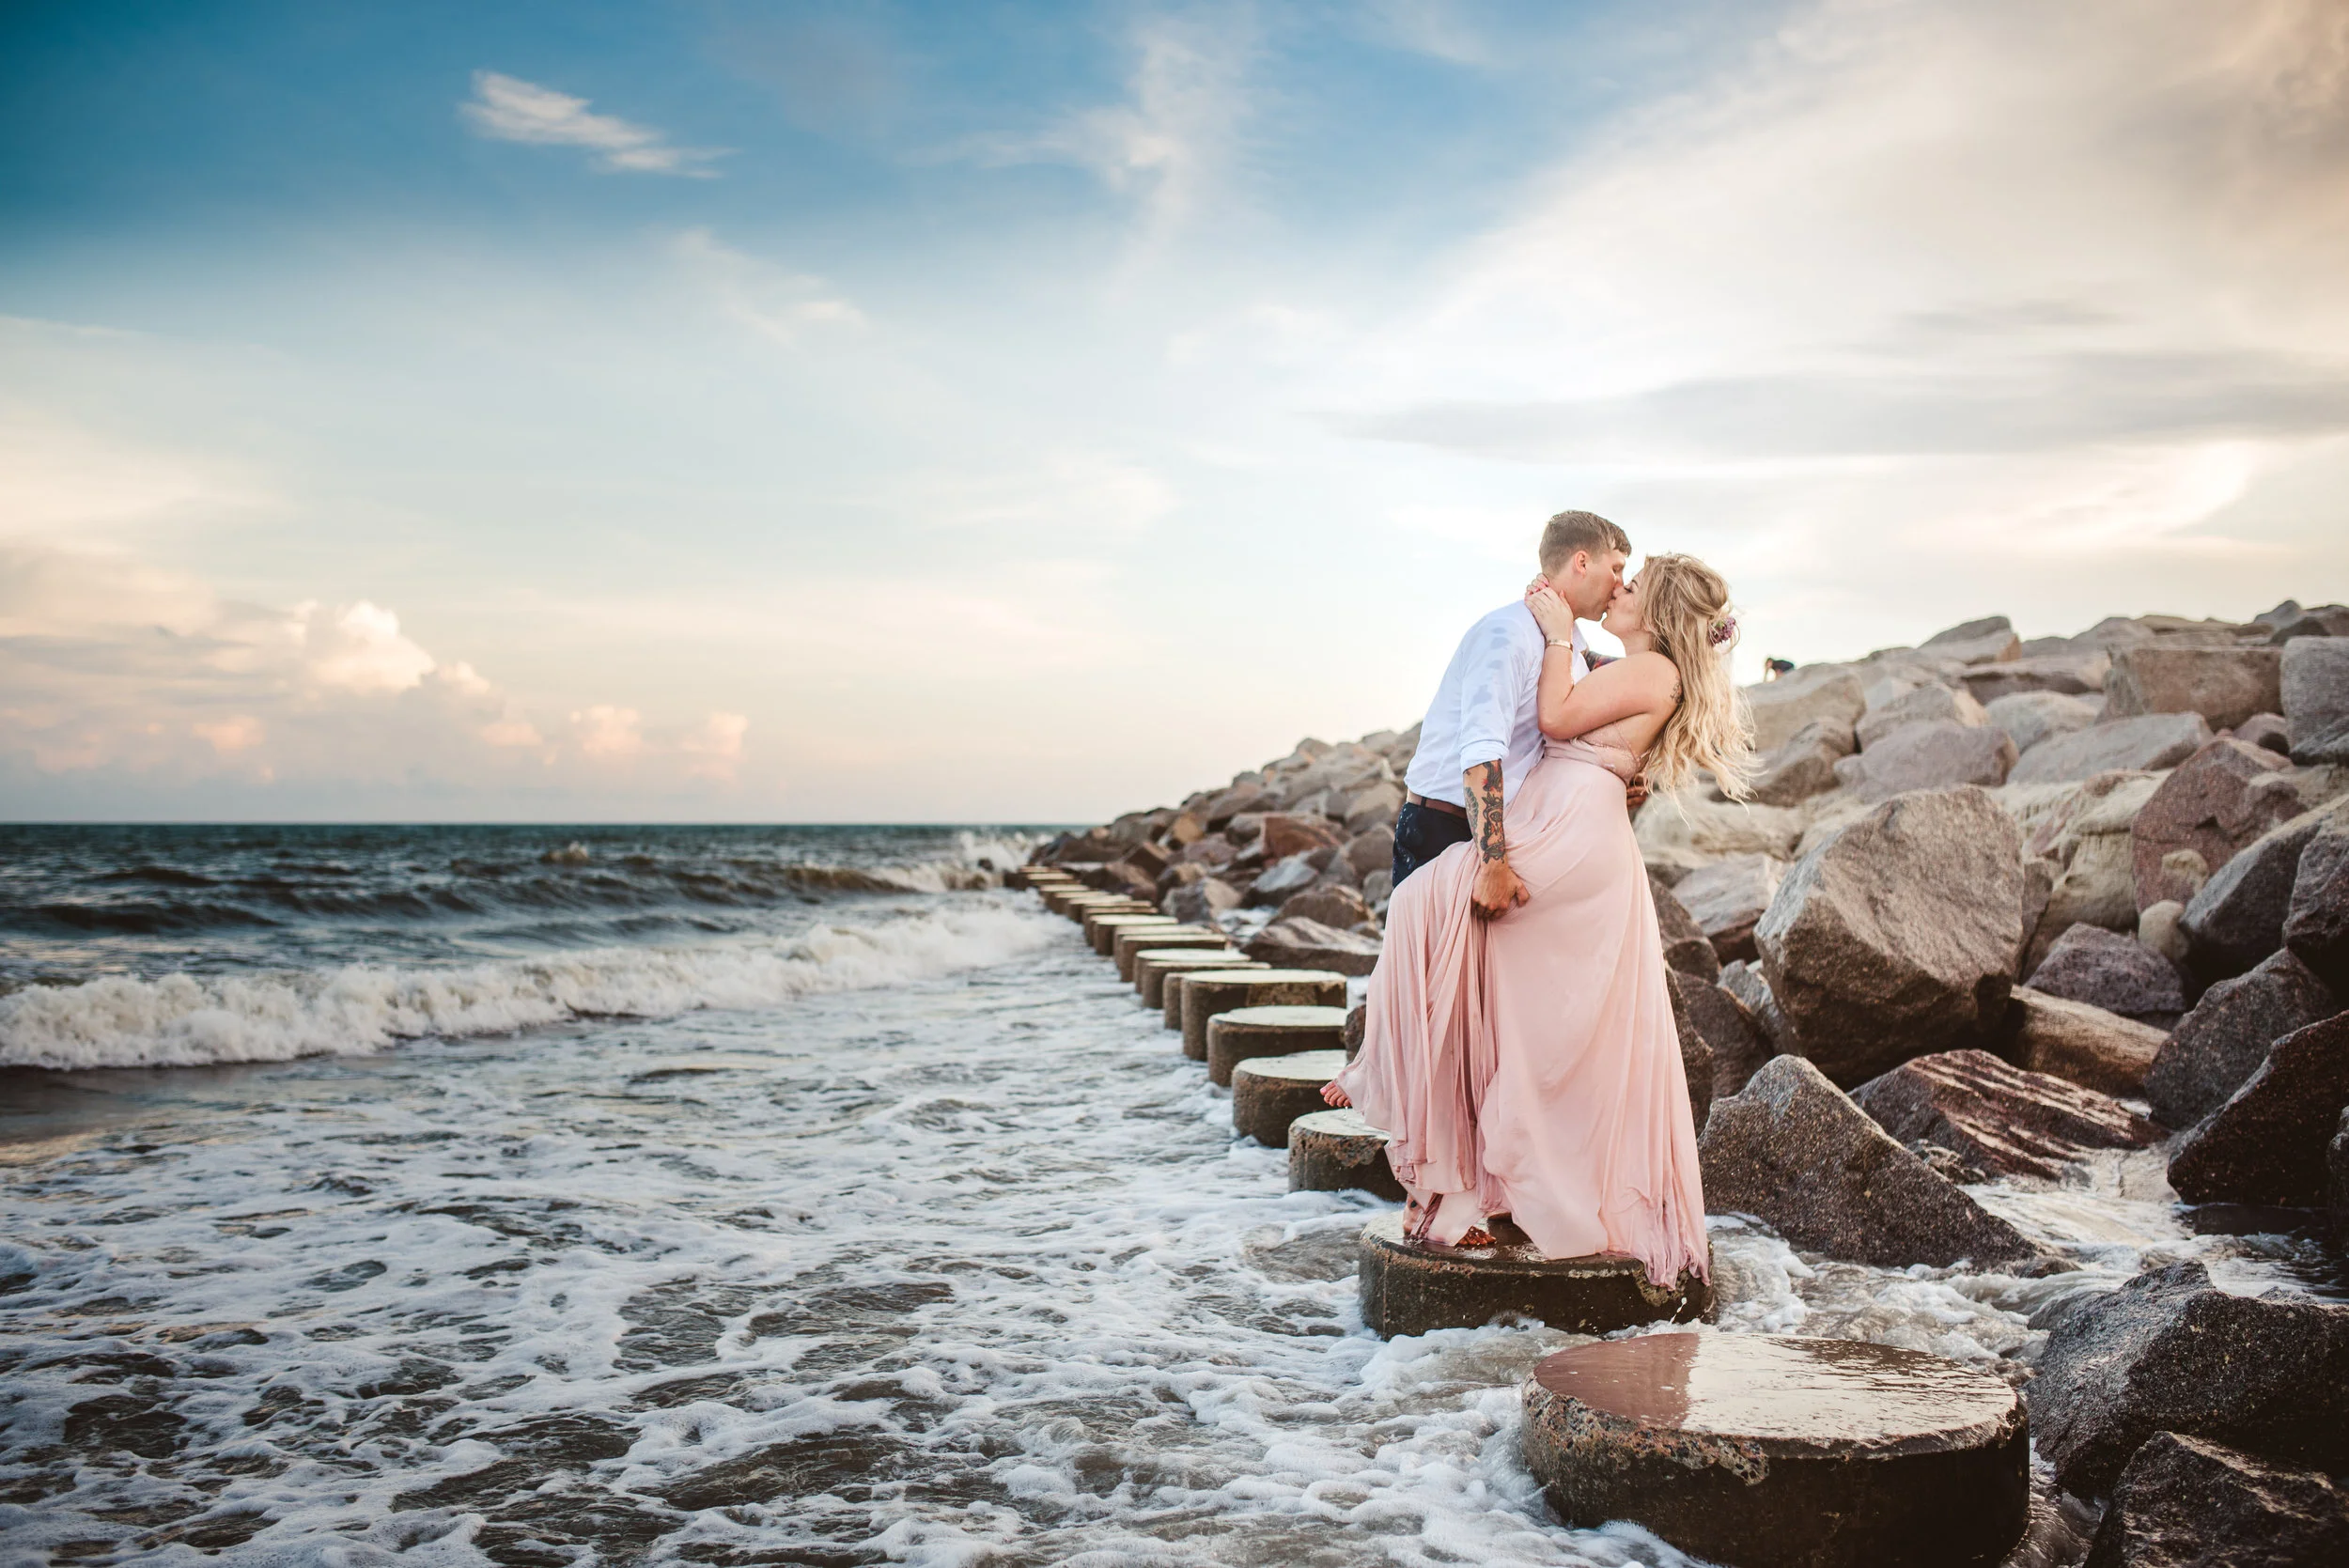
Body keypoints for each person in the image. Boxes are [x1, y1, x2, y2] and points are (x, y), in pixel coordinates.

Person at [1329, 550, 1755, 1290]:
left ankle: (1450, 1164)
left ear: (1656, 612)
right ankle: (1472, 1185)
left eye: (1634, 584)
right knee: (1511, 1012)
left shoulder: (1651, 669)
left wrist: (1558, 634)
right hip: (1569, 823)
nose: (1620, 590)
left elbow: (1556, 716)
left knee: (1431, 917)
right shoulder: (1637, 668)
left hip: (1568, 834)